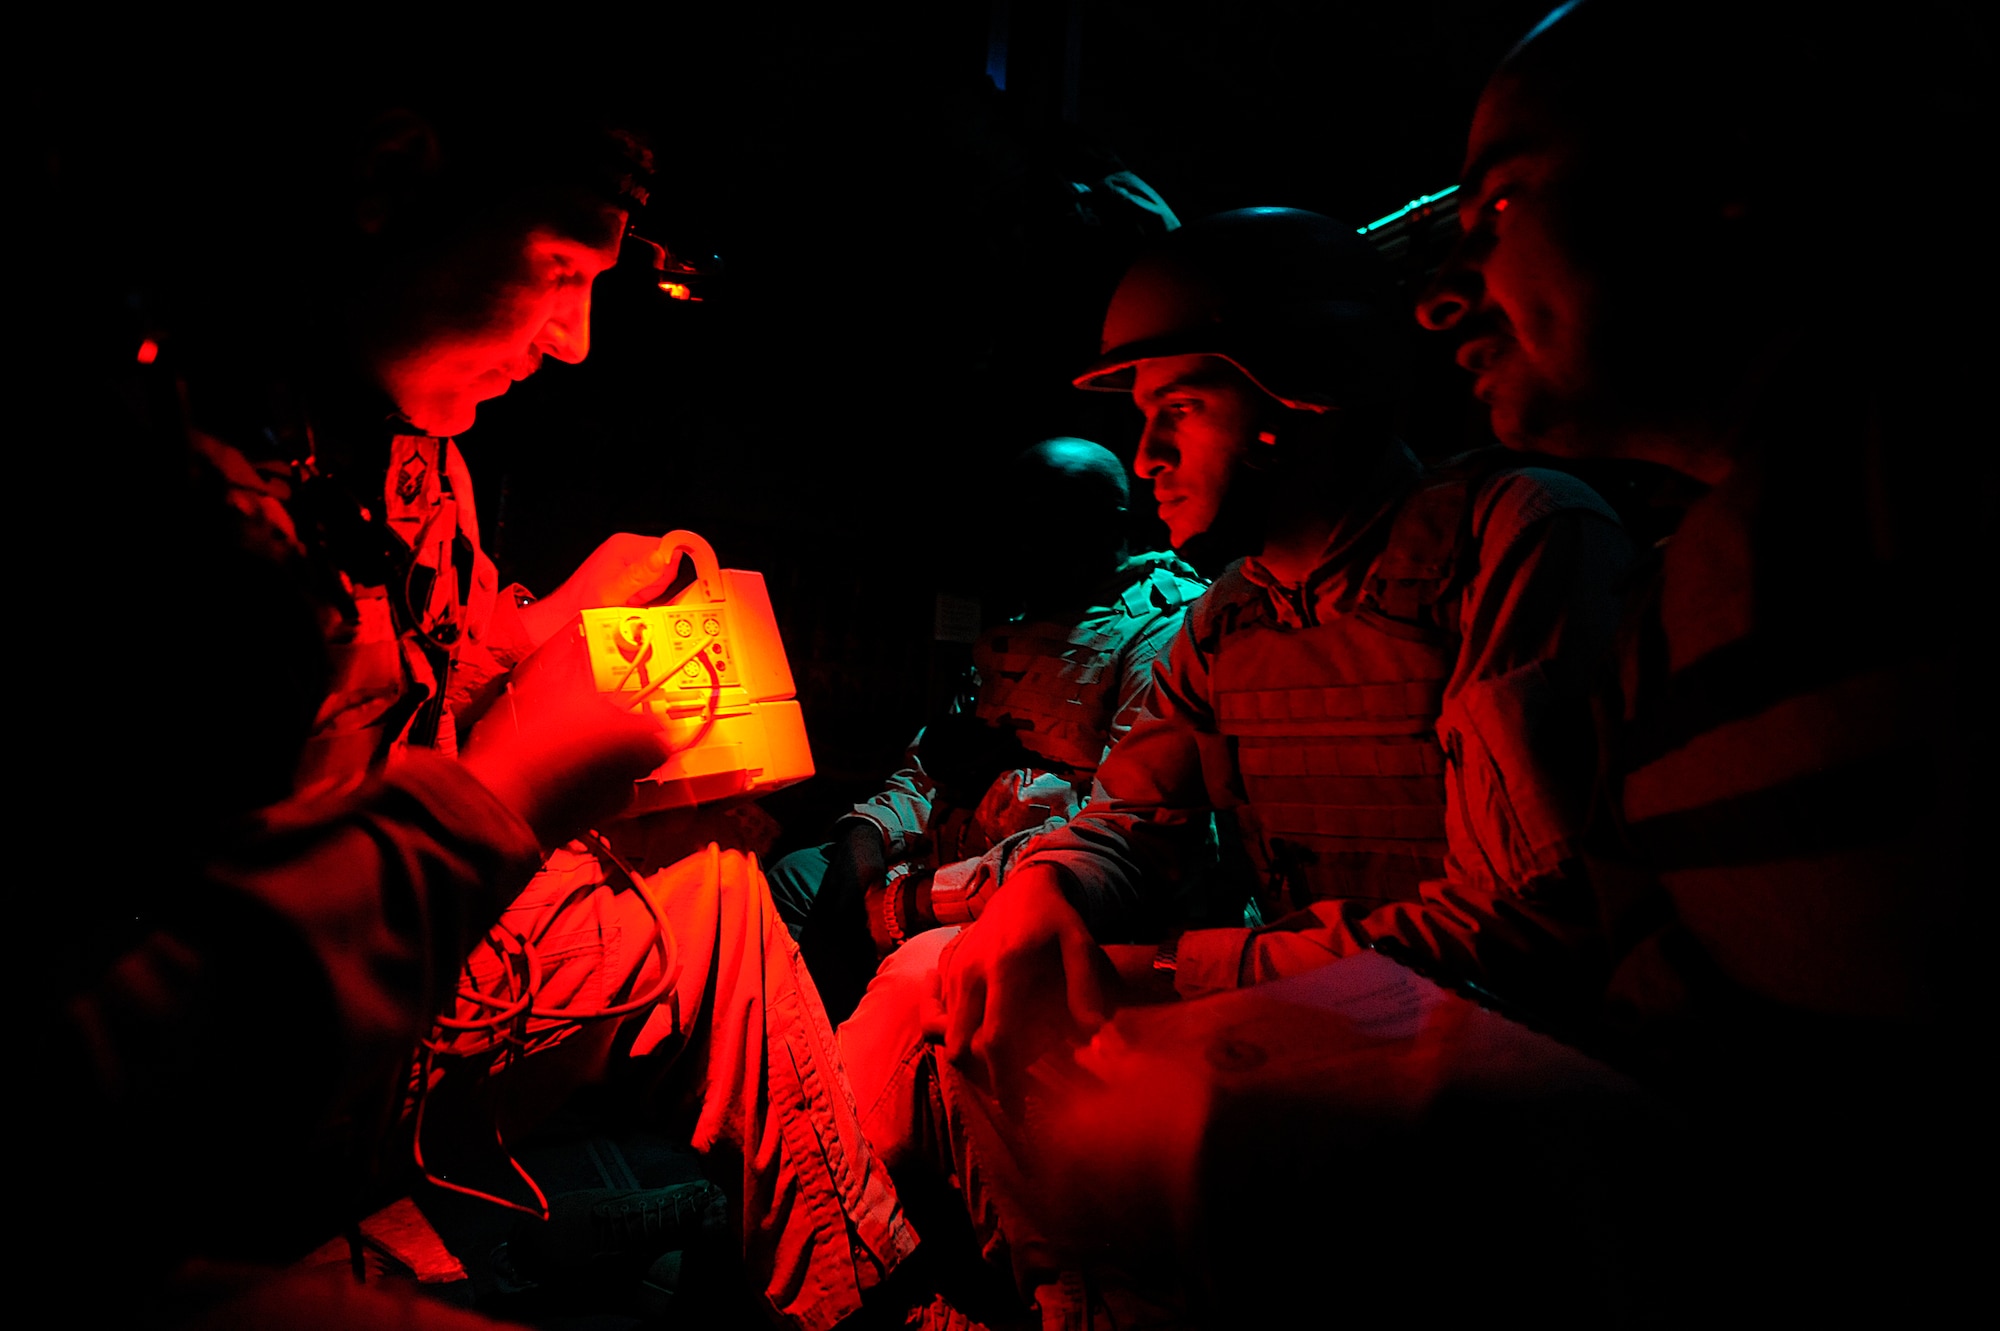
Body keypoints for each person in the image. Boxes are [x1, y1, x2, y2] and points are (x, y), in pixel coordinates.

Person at [42, 84, 912, 1328]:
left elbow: (421, 657)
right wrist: (511, 788)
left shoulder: (393, 441)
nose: (574, 340)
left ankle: (852, 1282)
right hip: (252, 1077)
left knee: (712, 869)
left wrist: (552, 619)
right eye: (561, 265)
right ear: (387, 181)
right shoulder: (142, 489)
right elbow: (147, 1026)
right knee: (722, 903)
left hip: (382, 973)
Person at [837, 206, 1638, 1322]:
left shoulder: (1509, 538)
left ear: (1300, 393)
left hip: (1514, 1065)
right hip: (1320, 1022)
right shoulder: (1228, 619)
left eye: (1180, 409)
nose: (1143, 455)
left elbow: (1524, 931)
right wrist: (1048, 889)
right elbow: (1129, 821)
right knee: (948, 979)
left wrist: (1173, 967)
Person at [1412, 0, 1978, 1315]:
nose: (1453, 299)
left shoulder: (1925, 486)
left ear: (1721, 177)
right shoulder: (1676, 607)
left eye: (1502, 206)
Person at [769, 437, 1206, 1020]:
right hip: (959, 855)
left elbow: (1122, 833)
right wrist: (865, 840)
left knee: (913, 963)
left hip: (1055, 882)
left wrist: (906, 900)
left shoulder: (1162, 629)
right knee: (797, 881)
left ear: (1108, 526)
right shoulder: (1012, 633)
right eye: (1016, 520)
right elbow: (929, 769)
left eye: (1047, 521)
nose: (1022, 544)